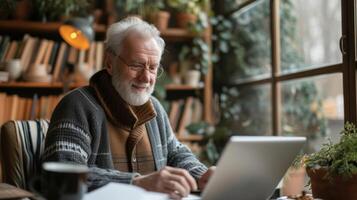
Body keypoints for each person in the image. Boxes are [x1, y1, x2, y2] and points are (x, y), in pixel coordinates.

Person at [42, 16, 214, 199]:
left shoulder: (155, 107)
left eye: (153, 68)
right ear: (109, 63)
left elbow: (176, 153)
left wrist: (202, 175)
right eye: (136, 65)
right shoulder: (77, 105)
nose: (146, 77)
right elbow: (64, 175)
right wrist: (137, 182)